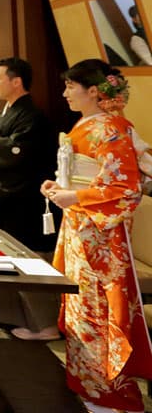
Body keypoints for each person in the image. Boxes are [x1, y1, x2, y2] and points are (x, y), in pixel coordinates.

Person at [41, 59, 152, 413]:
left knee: (101, 311)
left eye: (71, 86)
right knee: (79, 307)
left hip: (101, 236)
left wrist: (75, 196)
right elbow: (79, 174)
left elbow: (125, 185)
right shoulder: (87, 124)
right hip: (79, 229)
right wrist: (60, 188)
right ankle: (88, 390)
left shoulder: (113, 128)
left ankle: (111, 396)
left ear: (93, 90)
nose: (65, 93)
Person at [0, 56, 59, 340]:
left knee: (28, 258)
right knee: (8, 256)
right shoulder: (8, 111)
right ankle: (12, 316)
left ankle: (45, 325)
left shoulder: (32, 115)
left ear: (16, 81)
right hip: (7, 196)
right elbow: (4, 150)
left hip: (25, 200)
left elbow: (18, 154)